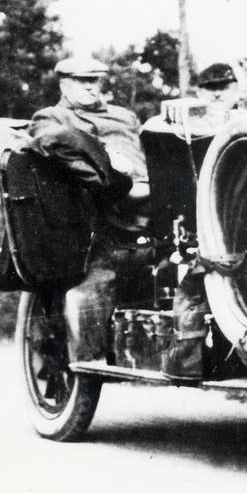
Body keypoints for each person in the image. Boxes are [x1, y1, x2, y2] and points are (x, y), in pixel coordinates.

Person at [29, 55, 150, 362]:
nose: (89, 87)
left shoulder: (125, 117)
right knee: (98, 280)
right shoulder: (50, 117)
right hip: (96, 213)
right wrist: (105, 158)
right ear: (64, 85)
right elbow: (50, 143)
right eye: (81, 81)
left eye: (94, 80)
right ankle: (88, 356)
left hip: (148, 203)